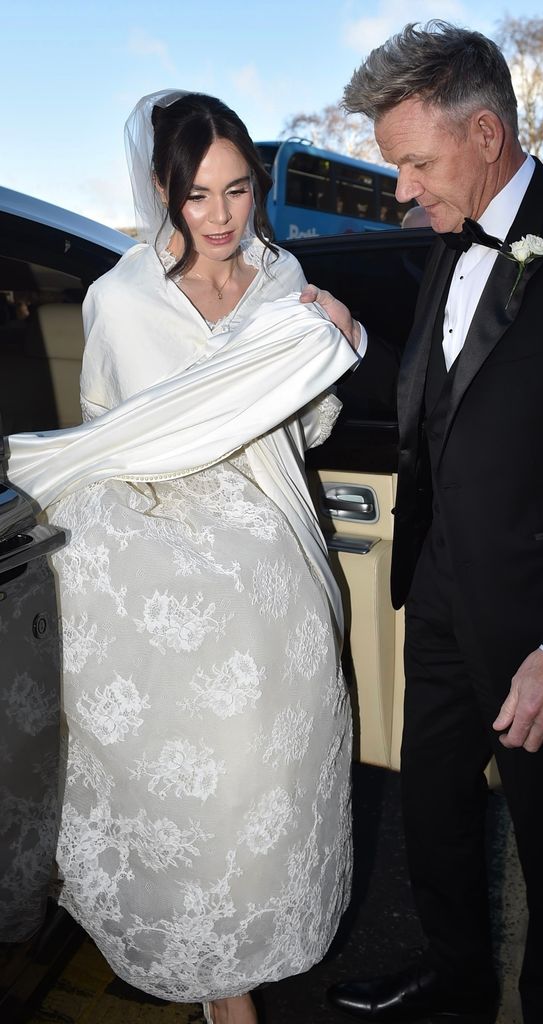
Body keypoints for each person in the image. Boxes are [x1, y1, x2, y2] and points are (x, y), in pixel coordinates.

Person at [300, 22, 543, 1024]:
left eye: (412, 163)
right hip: (436, 597)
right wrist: (351, 338)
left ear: (484, 136)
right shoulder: (440, 250)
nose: (399, 190)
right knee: (431, 811)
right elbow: (436, 400)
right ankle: (454, 972)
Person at [7, 91, 359, 1024]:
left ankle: (244, 955)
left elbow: (310, 426)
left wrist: (335, 346)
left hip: (275, 566)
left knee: (264, 781)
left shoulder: (284, 284)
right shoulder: (117, 297)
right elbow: (107, 433)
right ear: (164, 187)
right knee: (190, 790)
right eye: (197, 195)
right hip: (169, 570)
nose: (220, 217)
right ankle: (223, 992)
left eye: (238, 191)